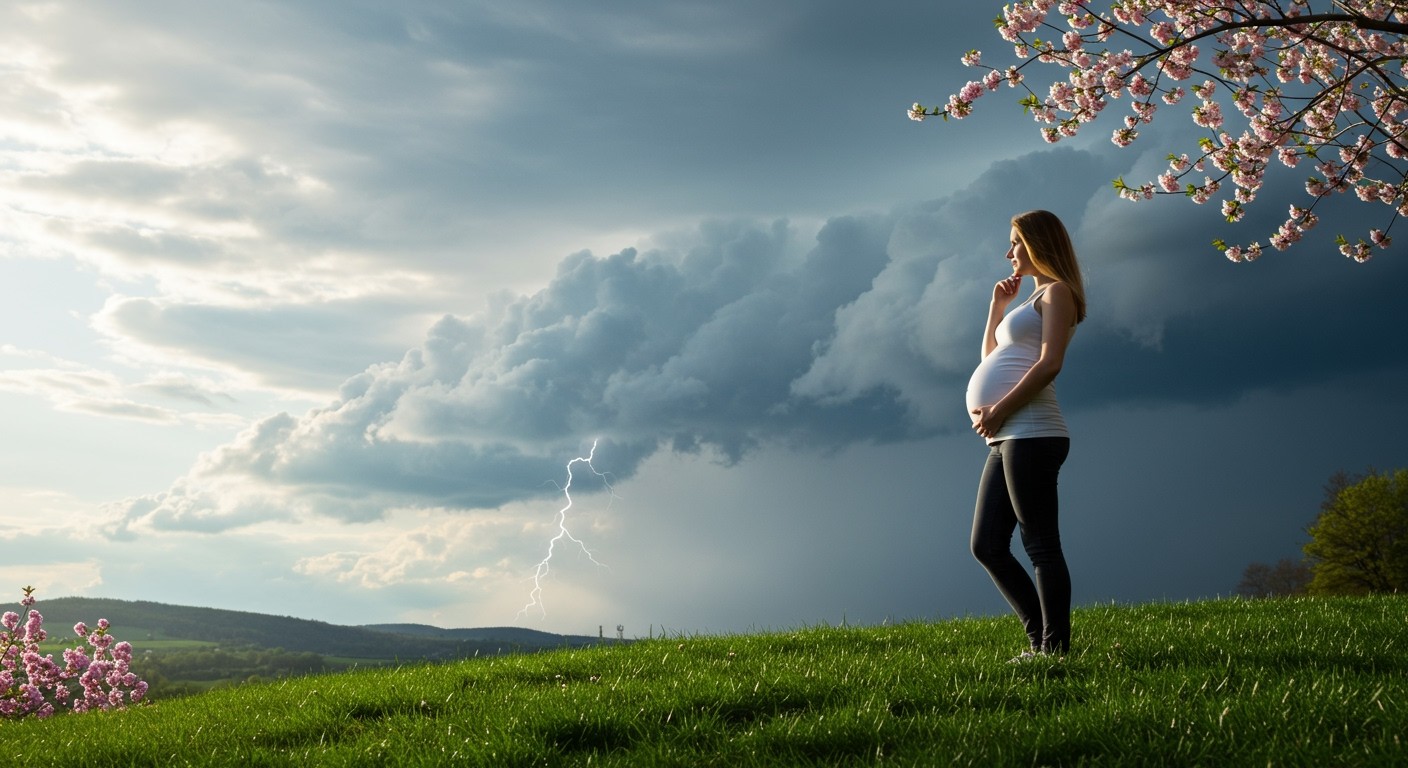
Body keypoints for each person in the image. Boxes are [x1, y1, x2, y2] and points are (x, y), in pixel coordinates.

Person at [964, 209, 1086, 660]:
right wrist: (996, 309)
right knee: (987, 545)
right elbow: (989, 360)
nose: (1008, 251)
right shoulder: (1026, 302)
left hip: (1032, 431)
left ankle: (1054, 648)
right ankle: (1042, 641)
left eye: (1014, 241)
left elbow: (1051, 363)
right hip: (1009, 433)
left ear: (1037, 243)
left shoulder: (1058, 294)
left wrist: (998, 408)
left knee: (1040, 544)